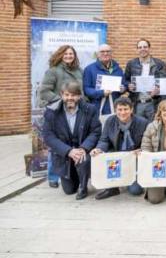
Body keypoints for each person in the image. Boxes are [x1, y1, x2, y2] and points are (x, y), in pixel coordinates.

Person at [41, 81, 101, 200]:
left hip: (82, 150)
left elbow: (96, 131)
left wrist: (84, 148)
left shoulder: (90, 109)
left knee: (83, 159)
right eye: (67, 95)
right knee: (69, 190)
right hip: (65, 154)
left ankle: (83, 187)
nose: (70, 98)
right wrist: (68, 151)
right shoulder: (51, 111)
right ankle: (76, 175)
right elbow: (48, 135)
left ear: (79, 96)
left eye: (73, 95)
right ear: (62, 95)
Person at [38, 45, 83, 188]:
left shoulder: (79, 71)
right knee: (56, 144)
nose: (69, 56)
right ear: (60, 55)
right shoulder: (53, 71)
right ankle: (53, 176)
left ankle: (72, 174)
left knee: (72, 143)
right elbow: (44, 92)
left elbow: (82, 92)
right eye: (66, 54)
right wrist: (62, 100)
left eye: (71, 54)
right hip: (58, 112)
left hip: (76, 111)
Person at [90, 97, 149, 200]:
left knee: (135, 191)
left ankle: (131, 178)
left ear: (131, 110)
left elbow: (147, 143)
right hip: (117, 156)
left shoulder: (142, 122)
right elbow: (104, 140)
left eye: (126, 109)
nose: (123, 113)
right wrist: (99, 149)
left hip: (134, 158)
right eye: (119, 109)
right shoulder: (110, 121)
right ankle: (112, 188)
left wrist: (141, 150)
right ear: (115, 110)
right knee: (104, 155)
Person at [124, 39, 165, 121]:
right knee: (138, 129)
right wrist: (128, 86)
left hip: (153, 103)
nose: (142, 49)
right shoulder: (131, 64)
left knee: (153, 129)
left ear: (149, 48)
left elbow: (164, 81)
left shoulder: (159, 63)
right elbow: (125, 80)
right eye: (140, 47)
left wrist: (159, 89)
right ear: (137, 49)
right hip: (137, 103)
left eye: (145, 47)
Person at [83, 44, 126, 118]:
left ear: (111, 53)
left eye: (108, 51)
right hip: (96, 108)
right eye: (102, 51)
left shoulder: (118, 69)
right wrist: (101, 92)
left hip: (115, 107)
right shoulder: (89, 69)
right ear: (97, 54)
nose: (105, 53)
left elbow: (124, 84)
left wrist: (123, 89)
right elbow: (86, 89)